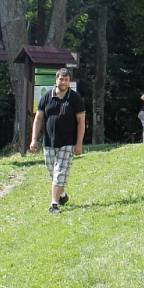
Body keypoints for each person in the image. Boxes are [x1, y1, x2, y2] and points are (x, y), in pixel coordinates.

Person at [29, 68, 86, 214]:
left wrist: (79, 143)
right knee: (52, 171)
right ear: (56, 80)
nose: (64, 82)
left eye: (66, 80)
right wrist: (34, 139)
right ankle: (62, 195)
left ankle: (54, 204)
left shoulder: (75, 98)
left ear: (69, 81)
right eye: (61, 79)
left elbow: (81, 121)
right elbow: (39, 118)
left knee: (60, 172)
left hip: (68, 142)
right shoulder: (47, 97)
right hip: (49, 142)